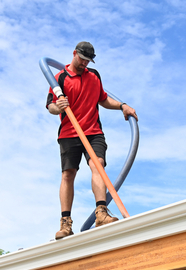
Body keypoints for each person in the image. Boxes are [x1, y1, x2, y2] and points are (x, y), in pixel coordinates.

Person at [47, 41, 138, 240]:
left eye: (88, 61)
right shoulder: (59, 78)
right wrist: (59, 106)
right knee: (68, 174)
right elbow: (50, 106)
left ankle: (101, 214)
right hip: (69, 133)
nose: (84, 64)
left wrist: (122, 105)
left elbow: (103, 99)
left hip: (93, 131)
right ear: (74, 54)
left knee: (98, 165)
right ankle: (65, 223)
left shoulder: (94, 76)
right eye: (82, 59)